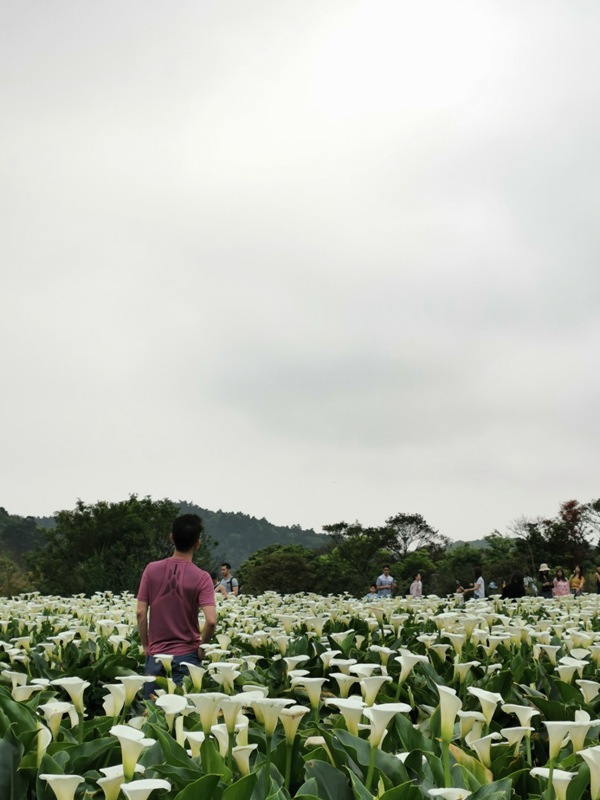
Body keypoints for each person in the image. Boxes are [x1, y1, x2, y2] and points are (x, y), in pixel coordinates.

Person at [137, 514, 216, 699]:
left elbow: (141, 612)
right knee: (184, 719)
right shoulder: (202, 577)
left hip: (156, 656)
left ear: (171, 537)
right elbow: (211, 621)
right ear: (198, 543)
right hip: (187, 658)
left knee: (153, 717)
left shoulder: (151, 569)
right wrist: (202, 647)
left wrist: (146, 645)